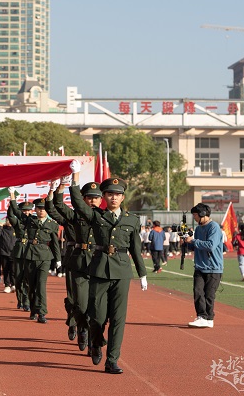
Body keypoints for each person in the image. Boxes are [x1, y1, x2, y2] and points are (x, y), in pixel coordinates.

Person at [69, 160, 147, 374]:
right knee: (97, 317)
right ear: (104, 197)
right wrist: (75, 179)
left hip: (122, 271)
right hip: (99, 269)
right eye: (109, 194)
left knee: (119, 319)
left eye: (117, 194)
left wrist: (142, 273)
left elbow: (135, 248)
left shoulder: (132, 220)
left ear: (123, 197)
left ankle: (112, 360)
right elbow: (78, 203)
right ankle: (96, 342)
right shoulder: (97, 216)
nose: (113, 197)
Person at [50, 177, 102, 354]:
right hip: (78, 261)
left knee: (97, 306)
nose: (92, 200)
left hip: (99, 264)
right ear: (82, 199)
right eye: (89, 197)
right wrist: (61, 187)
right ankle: (81, 328)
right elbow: (58, 206)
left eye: (96, 197)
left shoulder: (104, 216)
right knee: (78, 303)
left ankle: (93, 339)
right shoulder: (75, 216)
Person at [8, 190, 61, 324]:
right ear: (35, 209)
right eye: (39, 208)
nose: (41, 211)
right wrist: (12, 196)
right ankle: (33, 308)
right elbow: (16, 211)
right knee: (31, 286)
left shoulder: (52, 225)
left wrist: (58, 259)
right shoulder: (29, 221)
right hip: (30, 255)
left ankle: (42, 312)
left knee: (41, 285)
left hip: (44, 257)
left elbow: (55, 243)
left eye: (44, 208)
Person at [182, 203, 223, 329]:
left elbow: (210, 245)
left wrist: (193, 241)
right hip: (200, 266)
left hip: (213, 267)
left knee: (209, 295)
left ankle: (209, 318)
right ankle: (201, 316)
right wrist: (187, 242)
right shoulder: (198, 229)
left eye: (195, 215)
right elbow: (196, 246)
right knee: (198, 292)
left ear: (202, 214)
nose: (194, 218)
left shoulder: (214, 227)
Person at [7, 201, 34, 312]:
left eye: (28, 210)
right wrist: (11, 204)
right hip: (19, 251)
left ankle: (26, 301)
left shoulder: (34, 220)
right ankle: (20, 300)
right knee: (19, 278)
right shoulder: (17, 222)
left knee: (28, 278)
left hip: (30, 250)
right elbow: (10, 216)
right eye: (24, 210)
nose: (26, 212)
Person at [0, 218, 16, 292]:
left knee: (13, 270)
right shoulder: (2, 229)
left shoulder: (16, 228)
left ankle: (13, 284)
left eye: (10, 220)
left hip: (14, 252)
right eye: (7, 220)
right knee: (5, 269)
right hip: (4, 252)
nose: (9, 222)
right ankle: (6, 285)